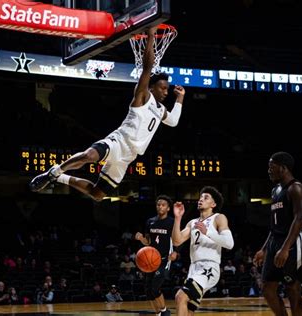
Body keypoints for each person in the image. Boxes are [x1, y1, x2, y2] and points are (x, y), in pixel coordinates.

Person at [29, 26, 185, 201]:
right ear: (151, 87)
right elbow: (147, 68)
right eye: (162, 88)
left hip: (128, 156)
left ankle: (60, 177)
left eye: (167, 89)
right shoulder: (143, 96)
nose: (166, 92)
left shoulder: (161, 110)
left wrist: (180, 98)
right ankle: (54, 172)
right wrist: (150, 36)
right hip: (118, 142)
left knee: (98, 195)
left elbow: (173, 121)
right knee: (90, 156)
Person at [253, 151, 302, 316]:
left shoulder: (296, 188)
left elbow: (299, 219)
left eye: (272, 166)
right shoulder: (275, 190)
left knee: (293, 289)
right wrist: (263, 249)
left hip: (290, 243)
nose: (269, 170)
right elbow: (273, 225)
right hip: (274, 242)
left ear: (283, 168)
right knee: (267, 288)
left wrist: (285, 248)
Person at [172, 186, 234, 316]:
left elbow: (229, 243)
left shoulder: (218, 218)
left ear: (213, 204)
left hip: (209, 267)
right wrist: (177, 218)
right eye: (200, 197)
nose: (201, 199)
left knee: (180, 297)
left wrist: (208, 232)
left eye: (205, 198)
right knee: (188, 309)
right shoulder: (193, 222)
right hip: (193, 268)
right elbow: (176, 241)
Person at [135, 194, 178, 316]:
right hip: (151, 260)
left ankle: (165, 311)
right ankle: (158, 313)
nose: (160, 207)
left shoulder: (172, 222)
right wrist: (141, 238)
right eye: (158, 204)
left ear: (168, 208)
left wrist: (176, 251)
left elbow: (178, 239)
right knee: (148, 291)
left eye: (163, 205)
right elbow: (147, 242)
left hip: (164, 259)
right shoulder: (150, 221)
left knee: (155, 287)